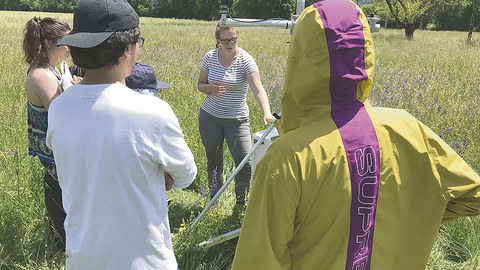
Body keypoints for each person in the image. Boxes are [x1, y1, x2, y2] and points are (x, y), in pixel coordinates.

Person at [232, 1, 480, 269]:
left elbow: (257, 260)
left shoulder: (289, 156)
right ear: (366, 53)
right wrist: (412, 211)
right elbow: (470, 197)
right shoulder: (408, 128)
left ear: (300, 57)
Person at [46, 0, 197, 269]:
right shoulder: (152, 111)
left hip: (83, 258)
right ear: (127, 49)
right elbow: (186, 174)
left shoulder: (59, 108)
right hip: (144, 260)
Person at [196, 25, 276, 207]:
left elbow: (258, 89)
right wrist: (211, 89)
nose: (229, 44)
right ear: (218, 40)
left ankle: (241, 202)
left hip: (237, 120)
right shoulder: (210, 57)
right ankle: (214, 200)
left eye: (233, 39)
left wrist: (266, 112)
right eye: (225, 40)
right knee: (214, 160)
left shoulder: (245, 60)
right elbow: (200, 85)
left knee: (244, 161)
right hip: (210, 117)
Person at [22, 16, 71, 253]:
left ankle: (65, 243)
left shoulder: (54, 68)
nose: (70, 45)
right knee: (63, 198)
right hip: (52, 148)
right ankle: (61, 246)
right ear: (51, 43)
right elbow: (60, 110)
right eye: (66, 40)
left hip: (57, 143)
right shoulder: (41, 74)